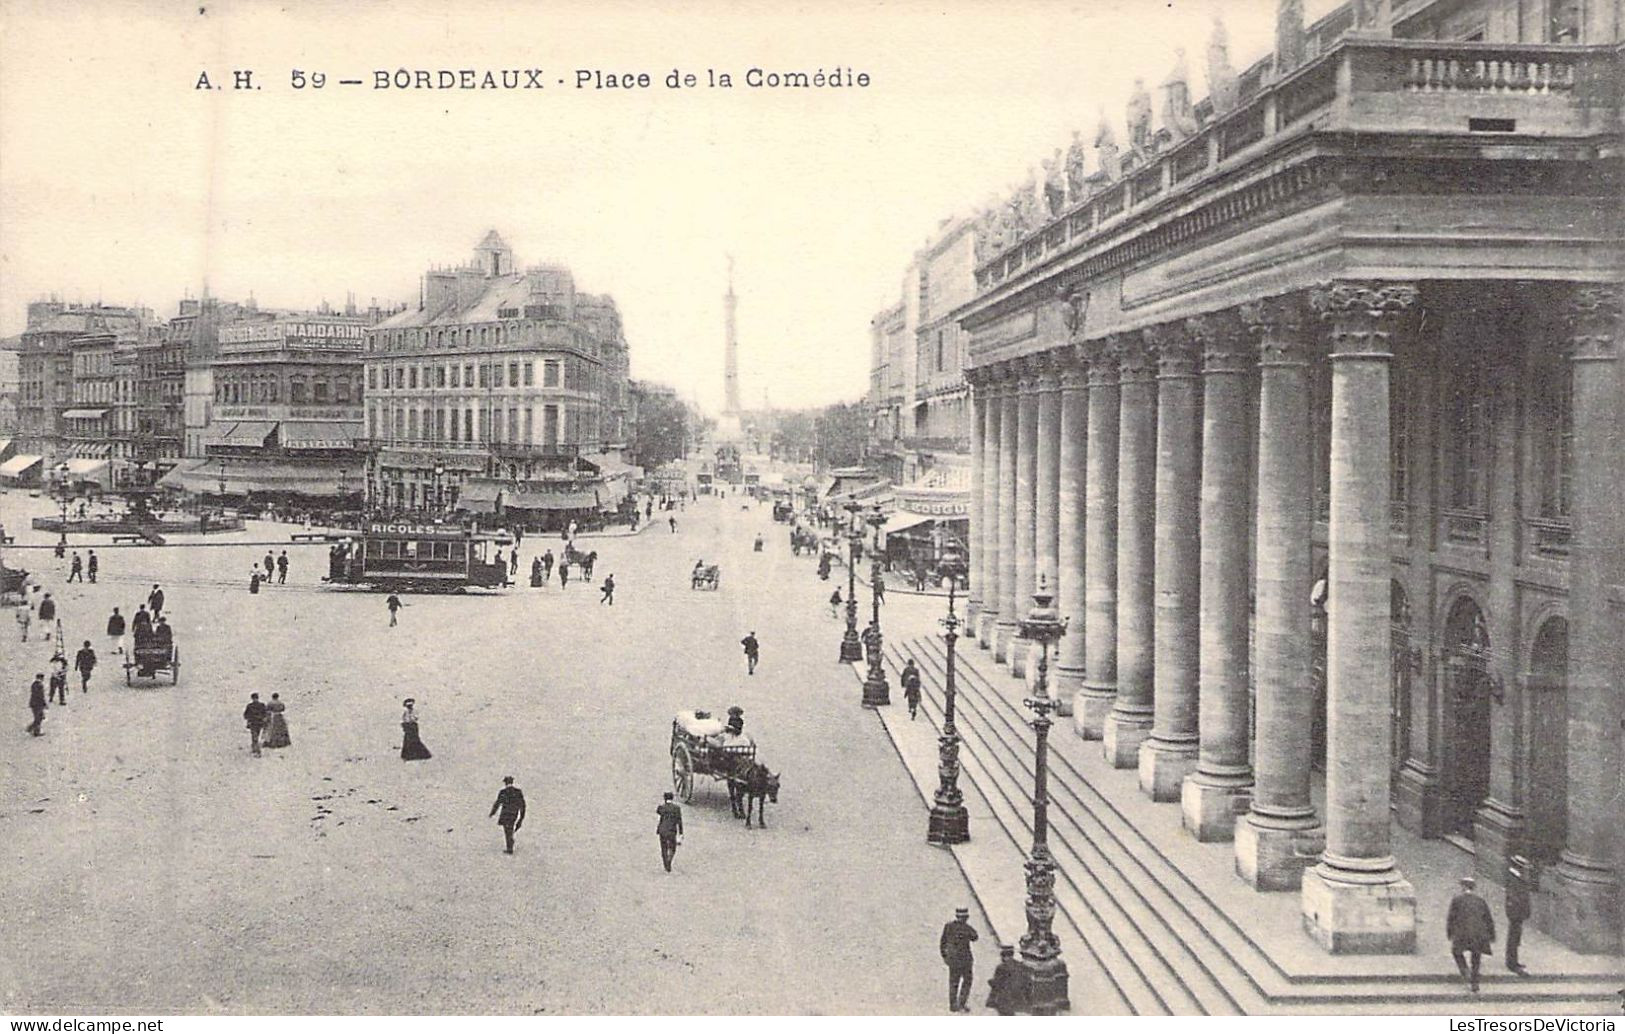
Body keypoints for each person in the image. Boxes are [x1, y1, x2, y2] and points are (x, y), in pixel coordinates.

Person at [1446, 875, 1495, 992]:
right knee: (1476, 958)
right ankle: (1475, 983)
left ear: (1463, 887)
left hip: (1463, 933)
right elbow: (1488, 918)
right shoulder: (1480, 901)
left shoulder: (1457, 900)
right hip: (1479, 933)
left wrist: (1450, 932)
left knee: (1456, 951)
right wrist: (1491, 935)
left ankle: (1464, 970)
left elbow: (1451, 918)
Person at [940, 907, 979, 1012]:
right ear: (966, 917)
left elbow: (942, 942)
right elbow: (975, 937)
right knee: (967, 980)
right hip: (965, 960)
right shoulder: (967, 928)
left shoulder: (948, 926)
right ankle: (961, 1003)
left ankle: (953, 1005)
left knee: (953, 981)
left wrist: (945, 956)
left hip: (953, 960)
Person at [1505, 857, 1533, 975]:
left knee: (1515, 937)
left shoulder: (1518, 877)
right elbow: (1514, 897)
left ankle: (1513, 961)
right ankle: (1512, 963)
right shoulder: (1514, 878)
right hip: (1516, 913)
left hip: (1518, 913)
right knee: (1514, 938)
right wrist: (1519, 912)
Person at [490, 776, 526, 854]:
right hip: (514, 813)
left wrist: (492, 812)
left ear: (505, 783)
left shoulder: (503, 792)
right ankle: (510, 842)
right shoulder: (518, 792)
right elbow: (522, 804)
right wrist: (521, 816)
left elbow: (498, 803)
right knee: (510, 827)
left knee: (507, 830)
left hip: (505, 814)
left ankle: (509, 847)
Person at [986, 944, 1026, 1015]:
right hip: (1016, 997)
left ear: (1003, 956)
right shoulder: (1019, 965)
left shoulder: (1001, 967)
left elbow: (997, 983)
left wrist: (990, 982)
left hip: (1004, 998)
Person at [656, 791, 684, 872]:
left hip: (662, 831)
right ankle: (669, 860)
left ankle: (666, 864)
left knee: (663, 847)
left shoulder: (661, 807)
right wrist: (681, 833)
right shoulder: (677, 808)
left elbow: (659, 816)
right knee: (673, 848)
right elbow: (679, 821)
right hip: (672, 831)